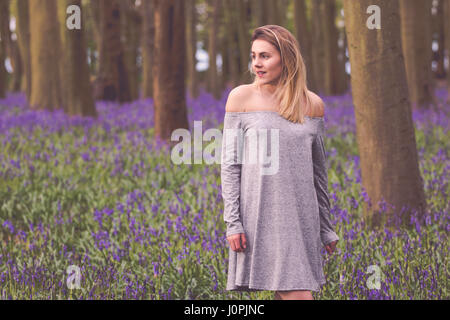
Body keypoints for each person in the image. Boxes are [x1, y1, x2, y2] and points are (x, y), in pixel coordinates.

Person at [220, 25, 339, 300]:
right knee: (297, 294)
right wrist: (233, 223)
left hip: (301, 217)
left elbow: (319, 174)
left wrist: (326, 227)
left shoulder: (313, 105)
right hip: (260, 215)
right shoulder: (241, 98)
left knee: (288, 292)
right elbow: (230, 165)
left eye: (265, 56)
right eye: (254, 56)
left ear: (286, 58)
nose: (256, 64)